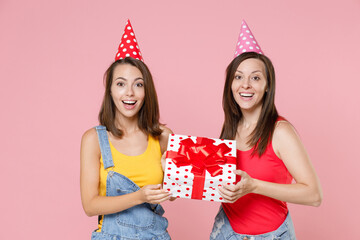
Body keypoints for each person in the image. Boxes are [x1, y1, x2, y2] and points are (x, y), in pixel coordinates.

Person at [210, 21, 322, 240]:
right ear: (230, 84)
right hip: (225, 231)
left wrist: (254, 186)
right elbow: (218, 181)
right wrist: (175, 168)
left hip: (271, 235)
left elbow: (313, 195)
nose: (245, 85)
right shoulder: (230, 128)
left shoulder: (280, 131)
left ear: (268, 85)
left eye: (256, 78)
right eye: (238, 77)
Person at [80, 20, 173, 240]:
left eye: (138, 84)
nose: (129, 92)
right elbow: (90, 205)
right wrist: (139, 196)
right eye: (121, 84)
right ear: (110, 90)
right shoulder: (94, 139)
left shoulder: (163, 136)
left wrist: (173, 181)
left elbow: (174, 194)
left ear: (146, 91)